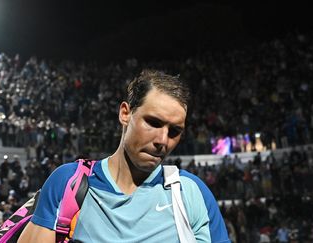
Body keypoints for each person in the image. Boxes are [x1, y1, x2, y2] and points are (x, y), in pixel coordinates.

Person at [18, 70, 230, 242]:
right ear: (125, 113)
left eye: (174, 131)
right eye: (153, 123)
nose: (163, 140)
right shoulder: (68, 183)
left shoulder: (191, 193)